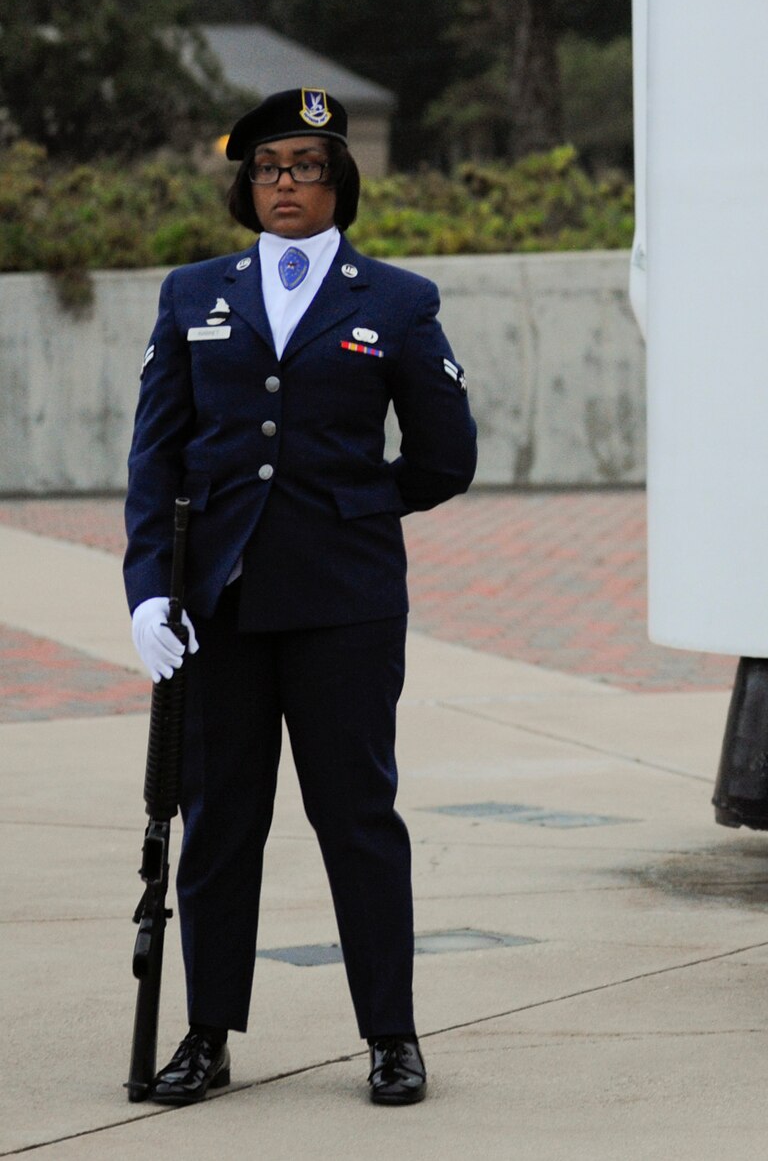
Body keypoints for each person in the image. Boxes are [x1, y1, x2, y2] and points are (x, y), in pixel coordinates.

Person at [125, 88, 478, 1106]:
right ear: (248, 184)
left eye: (307, 166)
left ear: (340, 183)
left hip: (344, 604)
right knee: (220, 822)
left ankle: (390, 1035)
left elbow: (445, 456)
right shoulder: (194, 293)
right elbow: (155, 456)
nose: (286, 183)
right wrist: (150, 591)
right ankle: (205, 1034)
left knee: (358, 818)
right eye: (269, 166)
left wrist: (358, 508)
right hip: (218, 609)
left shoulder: (396, 301)